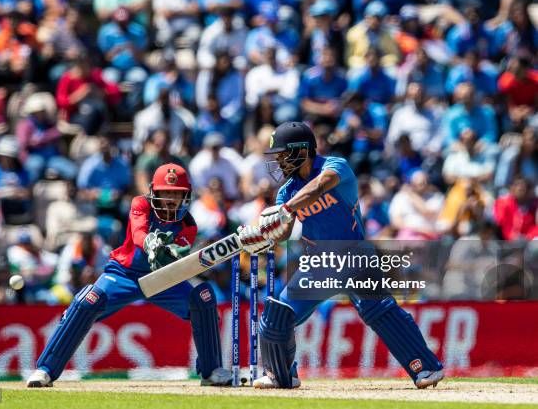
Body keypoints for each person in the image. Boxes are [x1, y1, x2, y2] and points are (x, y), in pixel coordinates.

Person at [237, 122, 444, 389]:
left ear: (302, 151)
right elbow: (284, 231)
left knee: (378, 310)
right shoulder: (286, 191)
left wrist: (286, 208)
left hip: (353, 255)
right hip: (318, 265)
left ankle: (425, 368)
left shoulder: (335, 166)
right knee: (278, 315)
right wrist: (260, 235)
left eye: (282, 154)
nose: (278, 161)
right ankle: (281, 374)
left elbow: (319, 187)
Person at [27, 163, 232, 387]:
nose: (171, 198)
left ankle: (211, 371)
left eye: (177, 193)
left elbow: (180, 253)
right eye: (167, 192)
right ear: (156, 192)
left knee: (201, 299)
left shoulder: (188, 223)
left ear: (186, 195)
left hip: (164, 277)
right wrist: (149, 243)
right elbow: (138, 232)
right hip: (125, 274)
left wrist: (170, 252)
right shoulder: (140, 203)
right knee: (88, 301)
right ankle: (45, 370)